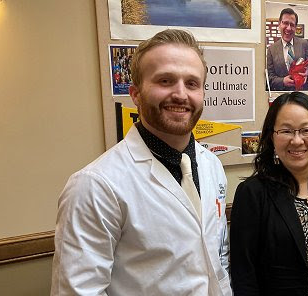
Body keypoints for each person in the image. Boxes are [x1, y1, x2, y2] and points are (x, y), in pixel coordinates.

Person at [51, 29, 232, 295]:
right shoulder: (95, 186)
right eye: (165, 81)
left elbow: (218, 256)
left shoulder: (211, 166)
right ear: (136, 94)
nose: (181, 94)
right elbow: (77, 291)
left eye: (192, 83)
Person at [230, 92, 308, 295]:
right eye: (286, 131)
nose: (297, 140)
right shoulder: (253, 193)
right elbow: (244, 275)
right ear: (272, 136)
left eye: (306, 130)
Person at [266, 8, 308, 91]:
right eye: (285, 23)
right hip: (281, 96)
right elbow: (270, 77)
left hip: (301, 94)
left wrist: (307, 72)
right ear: (279, 24)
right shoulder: (271, 49)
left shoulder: (304, 44)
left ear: (296, 27)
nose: (289, 28)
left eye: (292, 25)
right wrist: (282, 81)